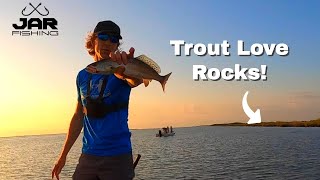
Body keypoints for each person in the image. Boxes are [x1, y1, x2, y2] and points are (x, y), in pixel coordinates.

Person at [51, 20, 143, 180]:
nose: (108, 42)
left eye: (114, 39)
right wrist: (63, 155)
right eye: (103, 37)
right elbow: (78, 116)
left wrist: (125, 73)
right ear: (93, 41)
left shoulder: (122, 68)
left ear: (117, 46)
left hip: (118, 156)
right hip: (88, 156)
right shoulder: (82, 75)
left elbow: (136, 80)